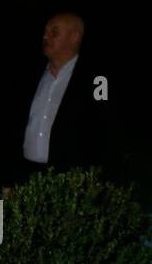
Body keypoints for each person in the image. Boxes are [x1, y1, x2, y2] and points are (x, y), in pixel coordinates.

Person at [15, 11, 104, 182]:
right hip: (27, 176)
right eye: (45, 31)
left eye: (54, 32)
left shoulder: (97, 80)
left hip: (70, 181)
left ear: (74, 37)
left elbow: (103, 132)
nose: (45, 36)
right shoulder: (30, 76)